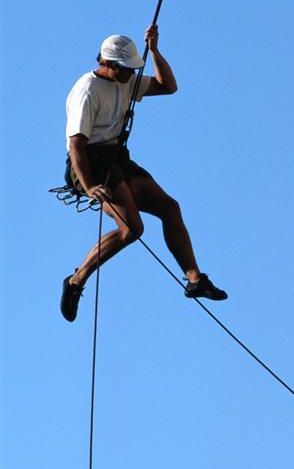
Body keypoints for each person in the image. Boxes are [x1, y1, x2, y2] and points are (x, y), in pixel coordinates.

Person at [60, 24, 227, 322]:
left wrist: (154, 52)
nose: (131, 75)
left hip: (117, 157)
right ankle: (76, 281)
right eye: (126, 69)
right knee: (132, 230)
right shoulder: (87, 91)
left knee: (169, 208)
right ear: (108, 64)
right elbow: (76, 145)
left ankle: (195, 279)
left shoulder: (126, 81)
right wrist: (88, 187)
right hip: (91, 163)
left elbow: (168, 86)